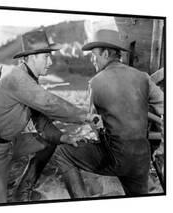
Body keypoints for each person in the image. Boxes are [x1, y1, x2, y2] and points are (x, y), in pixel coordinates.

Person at [0, 30, 98, 204]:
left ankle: (23, 191)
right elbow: (50, 103)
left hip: (7, 144)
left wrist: (63, 137)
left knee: (49, 142)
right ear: (31, 57)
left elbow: (40, 120)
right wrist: (87, 117)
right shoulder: (17, 79)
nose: (50, 62)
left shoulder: (28, 79)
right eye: (45, 57)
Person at [54, 29, 164, 198]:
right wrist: (163, 145)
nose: (92, 60)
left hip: (116, 157)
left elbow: (95, 123)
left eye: (94, 55)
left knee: (62, 152)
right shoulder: (143, 77)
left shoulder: (95, 83)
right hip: (142, 158)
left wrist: (101, 141)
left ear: (105, 53)